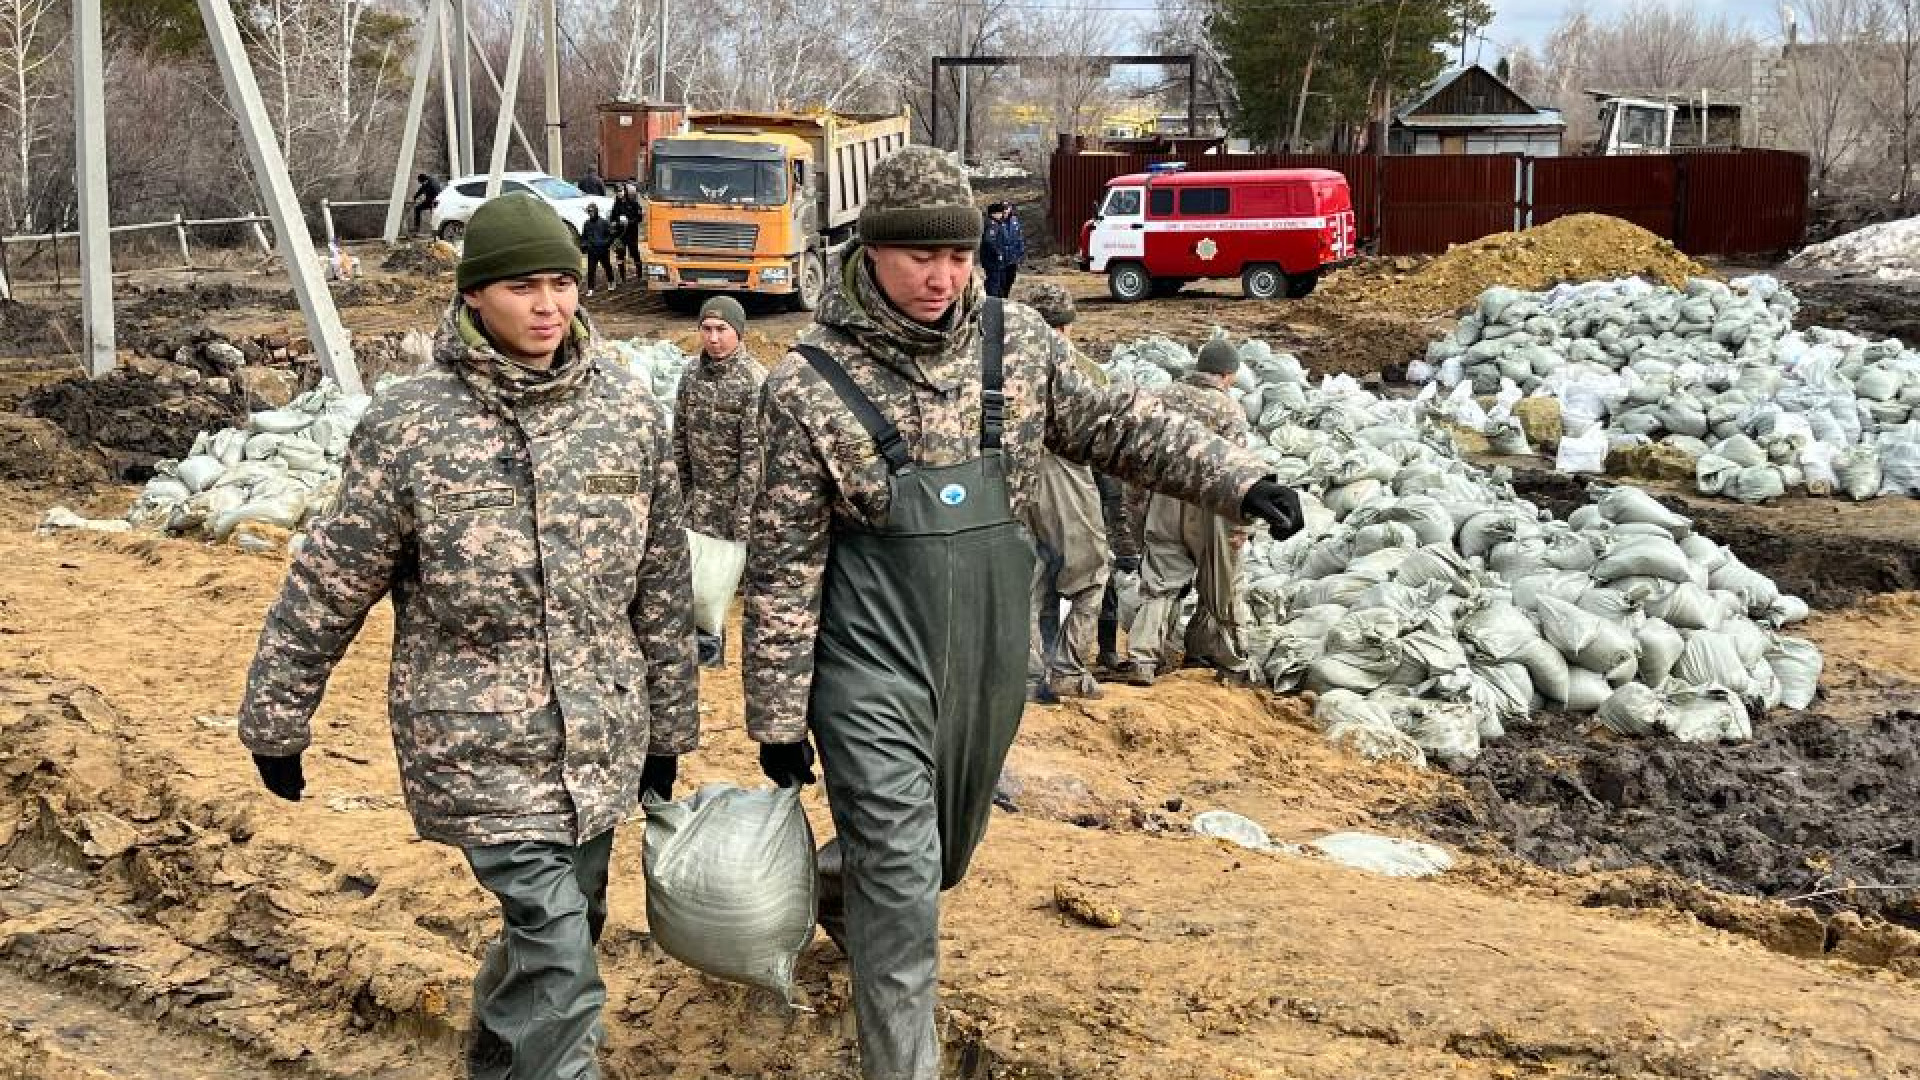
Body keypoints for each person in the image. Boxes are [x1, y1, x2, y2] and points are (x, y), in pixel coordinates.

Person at [743, 146, 1302, 1080]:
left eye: (959, 257)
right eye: (921, 257)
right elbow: (784, 564)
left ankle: (846, 891)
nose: (943, 277)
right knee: (908, 880)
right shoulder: (806, 384)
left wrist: (1242, 481)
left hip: (993, 656)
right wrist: (776, 714)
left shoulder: (1021, 345)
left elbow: (1126, 425)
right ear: (872, 252)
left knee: (938, 858)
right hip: (870, 667)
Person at [236, 192, 697, 1080]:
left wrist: (669, 732)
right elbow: (332, 579)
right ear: (475, 296)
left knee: (571, 925)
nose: (549, 306)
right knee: (561, 952)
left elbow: (661, 585)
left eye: (563, 282)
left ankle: (493, 1063)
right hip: (475, 745)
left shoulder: (631, 415)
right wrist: (277, 720)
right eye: (523, 286)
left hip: (600, 736)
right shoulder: (412, 424)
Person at [1122, 337, 1257, 687]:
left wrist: (1138, 512)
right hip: (1211, 505)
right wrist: (1242, 526)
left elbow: (1140, 457)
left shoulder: (1164, 397)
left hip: (1165, 497)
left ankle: (1143, 659)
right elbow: (1240, 473)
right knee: (1222, 585)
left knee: (1160, 582)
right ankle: (1221, 657)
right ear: (1228, 375)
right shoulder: (1229, 410)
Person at [1010, 280, 1110, 702]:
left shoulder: (993, 364)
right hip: (1062, 473)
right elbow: (1104, 433)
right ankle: (1067, 669)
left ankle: (1027, 675)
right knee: (1091, 575)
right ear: (1065, 326)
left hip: (1006, 476)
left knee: (1027, 580)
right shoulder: (1079, 367)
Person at [673, 295, 766, 668]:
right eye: (707, 329)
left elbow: (753, 458)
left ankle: (720, 657)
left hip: (734, 503)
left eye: (721, 330)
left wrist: (744, 519)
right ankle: (702, 655)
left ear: (739, 333)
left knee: (722, 584)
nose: (713, 338)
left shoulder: (753, 382)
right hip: (697, 501)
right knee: (695, 580)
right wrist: (675, 495)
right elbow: (679, 438)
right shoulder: (690, 375)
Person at [983, 202, 1025, 298]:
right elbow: (990, 241)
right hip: (1000, 259)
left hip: (1012, 258)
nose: (1005, 211)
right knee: (997, 283)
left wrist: (1020, 253)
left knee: (1009, 280)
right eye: (1003, 209)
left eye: (1007, 208)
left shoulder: (1014, 221)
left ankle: (1004, 299)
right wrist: (999, 253)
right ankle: (995, 303)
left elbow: (1019, 238)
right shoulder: (995, 223)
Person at [611, 184, 644, 283]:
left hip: (632, 234)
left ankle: (639, 275)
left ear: (625, 191)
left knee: (635, 254)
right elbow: (613, 218)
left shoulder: (633, 203)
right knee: (620, 255)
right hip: (620, 235)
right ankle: (622, 277)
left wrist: (629, 222)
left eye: (621, 191)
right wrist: (615, 222)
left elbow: (639, 218)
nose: (619, 193)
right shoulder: (616, 204)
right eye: (617, 192)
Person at [580, 203, 615, 297]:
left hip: (603, 250)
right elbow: (584, 237)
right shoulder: (586, 223)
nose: (590, 213)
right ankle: (590, 288)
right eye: (589, 211)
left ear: (596, 211)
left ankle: (611, 281)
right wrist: (584, 246)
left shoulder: (604, 222)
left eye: (592, 211)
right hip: (592, 251)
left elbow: (611, 235)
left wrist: (605, 244)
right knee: (591, 270)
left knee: (607, 266)